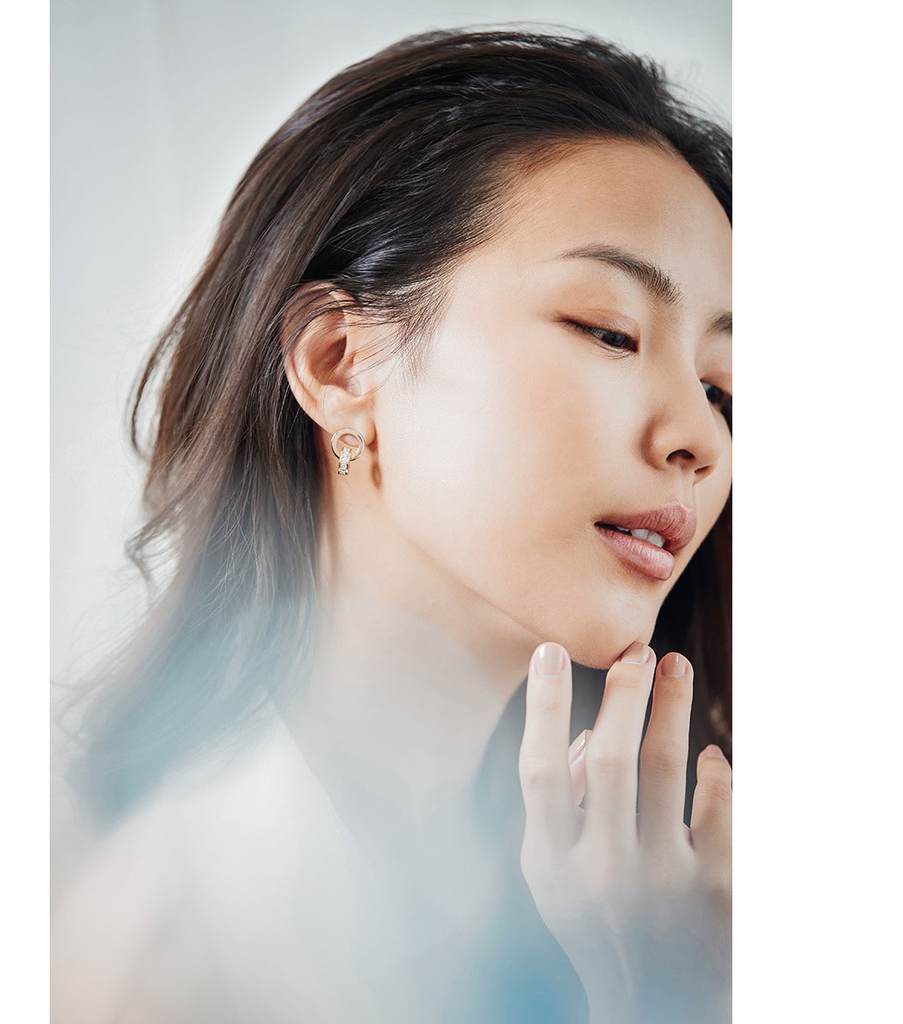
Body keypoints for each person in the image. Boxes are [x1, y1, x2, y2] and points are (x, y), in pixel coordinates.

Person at [52, 26, 733, 1024]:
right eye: (608, 331)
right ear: (339, 362)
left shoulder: (654, 898)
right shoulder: (136, 926)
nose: (700, 439)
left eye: (723, 389)